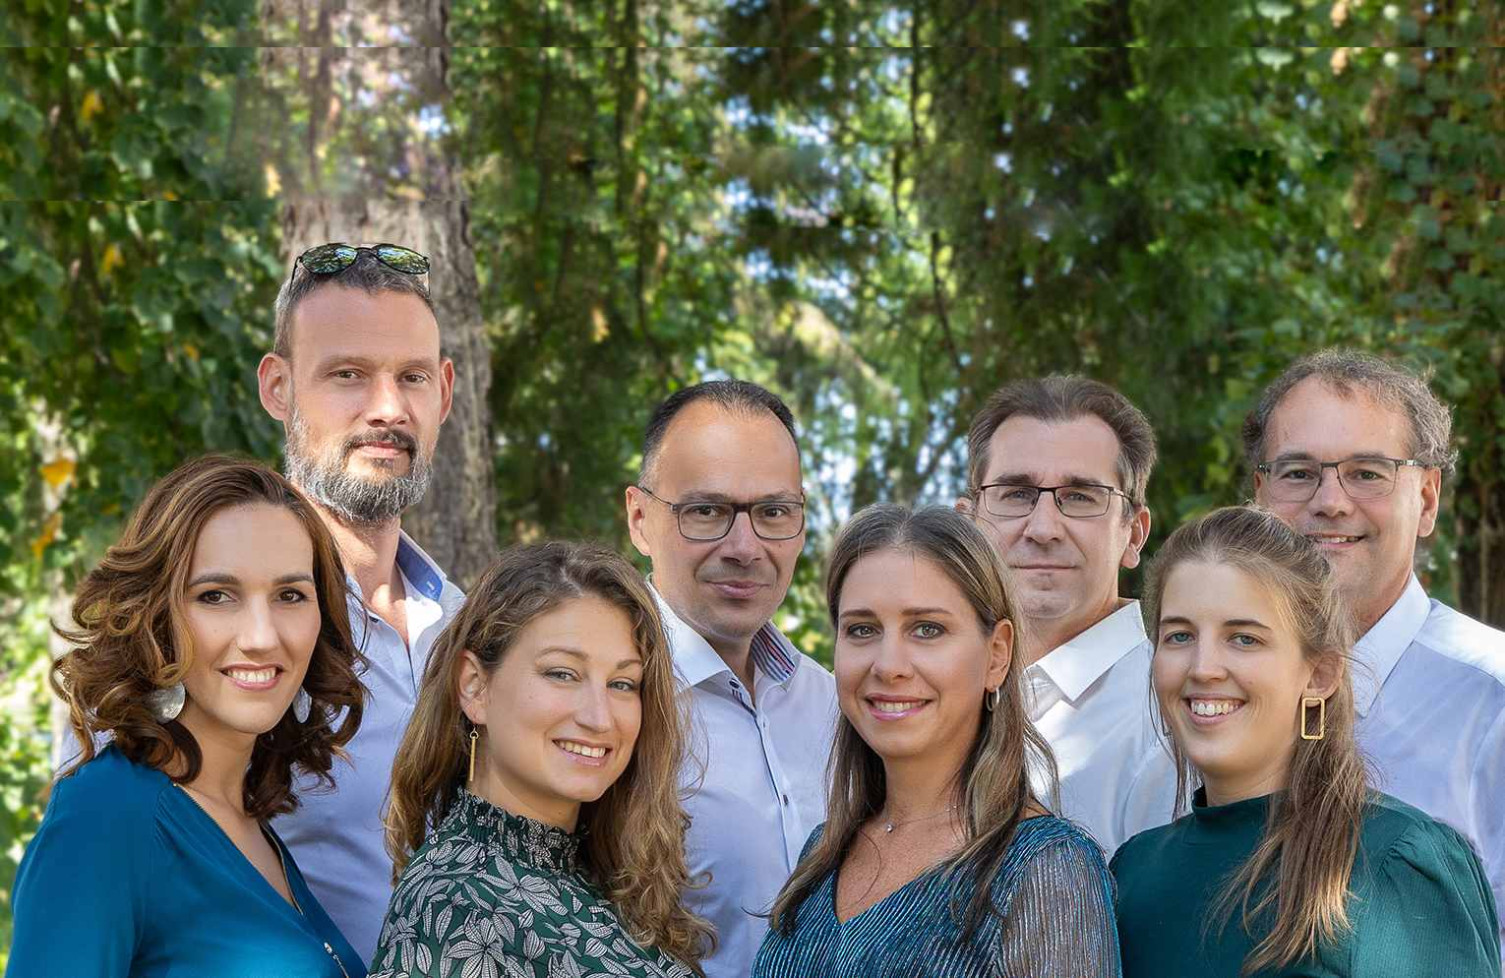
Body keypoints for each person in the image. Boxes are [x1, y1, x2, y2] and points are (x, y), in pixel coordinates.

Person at [11, 456, 369, 977]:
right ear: (155, 617)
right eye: (216, 596)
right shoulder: (105, 816)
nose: (262, 637)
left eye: (290, 595)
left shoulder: (245, 816)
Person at [1113, 505, 1500, 977]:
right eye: (1179, 636)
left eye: (1244, 639)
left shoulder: (1395, 861)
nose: (1203, 667)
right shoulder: (1132, 873)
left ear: (1319, 674)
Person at [754, 505, 1120, 977]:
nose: (889, 665)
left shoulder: (1045, 868)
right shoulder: (821, 855)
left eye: (927, 629)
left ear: (997, 655)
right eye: (862, 629)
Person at [1245, 349, 1505, 952]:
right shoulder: (1211, 692)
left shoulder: (1492, 703)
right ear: (1260, 495)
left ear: (1428, 499)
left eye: (1367, 473)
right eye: (1298, 472)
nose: (1330, 502)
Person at [257, 242, 469, 961]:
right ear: (279, 388)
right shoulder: (210, 627)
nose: (387, 409)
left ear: (443, 392)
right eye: (347, 374)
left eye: (412, 377)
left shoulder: (474, 630)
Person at [371, 542, 711, 978]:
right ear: (474, 686)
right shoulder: (454, 909)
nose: (599, 717)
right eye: (562, 674)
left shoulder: (601, 875)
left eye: (622, 683)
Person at [624, 380, 838, 978]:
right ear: (640, 519)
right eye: (707, 511)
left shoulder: (833, 703)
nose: (744, 547)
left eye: (773, 512)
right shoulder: (600, 705)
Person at [957, 375, 1176, 854]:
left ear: (1134, 535)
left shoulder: (1173, 716)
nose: (1043, 528)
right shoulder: (928, 690)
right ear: (968, 522)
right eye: (1016, 494)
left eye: (1080, 497)